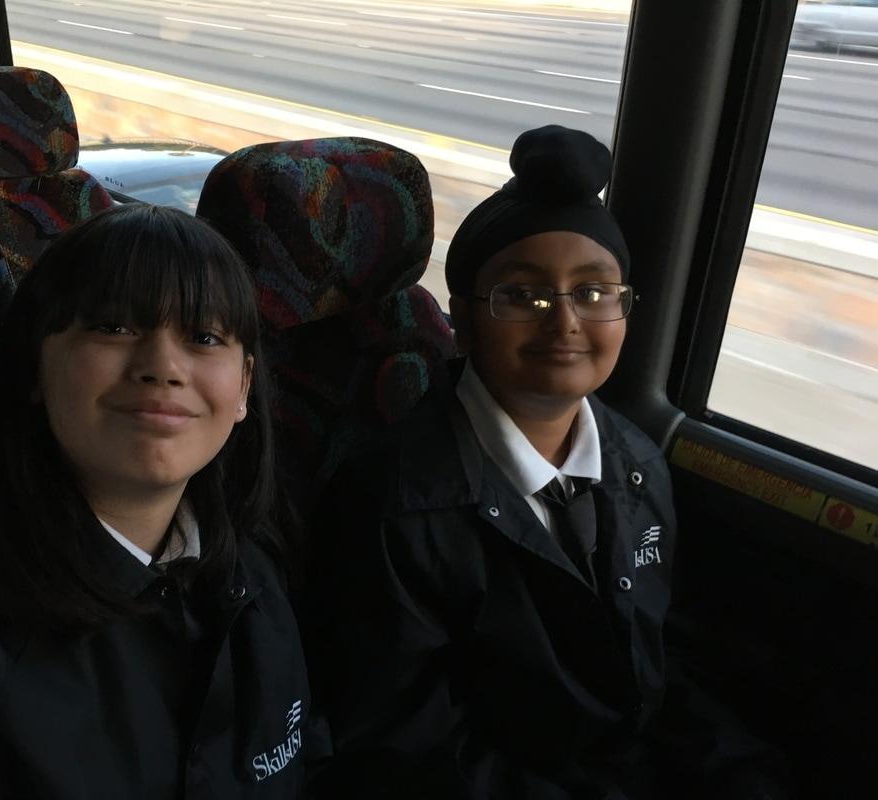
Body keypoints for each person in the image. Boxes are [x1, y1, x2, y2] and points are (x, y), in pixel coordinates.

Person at [306, 126, 787, 799]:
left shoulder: (637, 462)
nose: (564, 322)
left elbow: (657, 664)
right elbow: (408, 746)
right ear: (464, 320)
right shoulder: (392, 504)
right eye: (521, 296)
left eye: (593, 292)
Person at [0, 204, 315, 799]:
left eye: (204, 338)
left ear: (244, 388)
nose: (162, 367)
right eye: (114, 327)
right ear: (35, 366)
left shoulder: (253, 572)